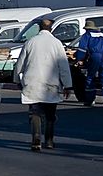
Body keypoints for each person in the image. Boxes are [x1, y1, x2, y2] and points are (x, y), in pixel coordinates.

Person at [13, 18, 72, 151]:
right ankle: (49, 141)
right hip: (51, 84)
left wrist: (17, 80)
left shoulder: (31, 42)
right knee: (50, 114)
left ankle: (36, 140)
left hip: (32, 82)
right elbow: (63, 66)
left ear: (39, 28)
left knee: (35, 112)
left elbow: (20, 63)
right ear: (51, 29)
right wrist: (68, 85)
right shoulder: (56, 43)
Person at [75, 20, 103, 107]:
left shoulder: (87, 35)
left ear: (86, 29)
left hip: (95, 56)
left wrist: (80, 59)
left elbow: (82, 49)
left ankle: (89, 100)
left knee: (90, 77)